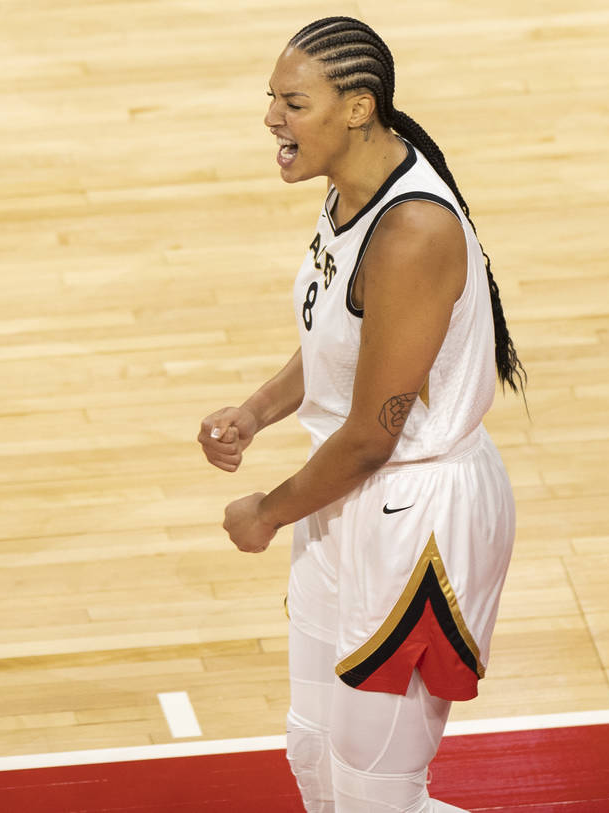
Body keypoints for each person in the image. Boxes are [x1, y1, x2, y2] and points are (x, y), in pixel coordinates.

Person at [196, 17, 525, 813]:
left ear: (357, 107)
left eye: (293, 102)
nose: (272, 117)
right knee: (312, 750)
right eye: (271, 99)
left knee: (374, 790)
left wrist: (267, 511)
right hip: (343, 493)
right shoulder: (352, 191)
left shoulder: (413, 230)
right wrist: (259, 409)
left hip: (416, 513)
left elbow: (374, 435)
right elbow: (344, 341)